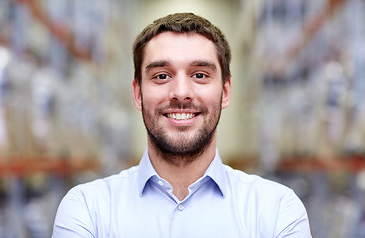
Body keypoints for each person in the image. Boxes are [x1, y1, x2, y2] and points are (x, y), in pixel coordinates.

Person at [52, 12, 312, 237]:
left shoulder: (277, 209)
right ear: (138, 94)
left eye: (200, 75)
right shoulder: (87, 209)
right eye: (162, 76)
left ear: (226, 91)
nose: (181, 92)